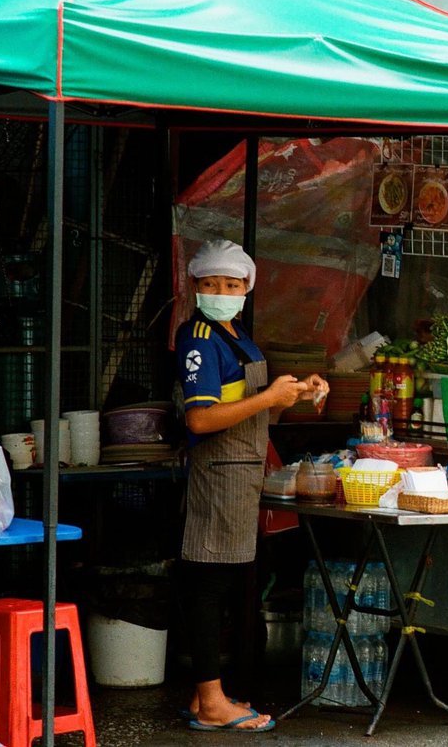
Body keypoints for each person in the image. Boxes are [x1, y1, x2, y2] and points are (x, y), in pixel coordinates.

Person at [174, 240, 328, 733]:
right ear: (196, 288)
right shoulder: (199, 338)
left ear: (246, 290)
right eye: (210, 285)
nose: (221, 292)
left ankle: (207, 698)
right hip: (218, 474)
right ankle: (212, 701)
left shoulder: (237, 334)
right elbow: (199, 420)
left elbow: (263, 409)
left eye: (231, 285)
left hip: (242, 472)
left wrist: (295, 394)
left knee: (224, 586)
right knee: (207, 585)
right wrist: (268, 398)